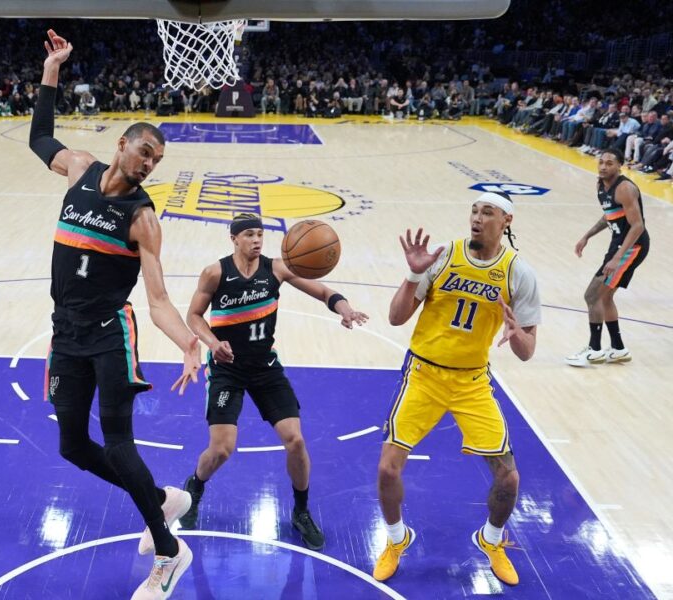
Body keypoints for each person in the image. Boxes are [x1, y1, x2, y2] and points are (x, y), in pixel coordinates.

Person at [29, 29, 201, 600]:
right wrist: (53, 68)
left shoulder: (143, 219)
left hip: (110, 333)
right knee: (72, 445)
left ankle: (170, 552)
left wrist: (188, 343)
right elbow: (39, 137)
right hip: (65, 331)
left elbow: (157, 300)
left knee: (119, 442)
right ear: (122, 144)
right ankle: (160, 500)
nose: (150, 164)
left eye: (157, 160)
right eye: (145, 152)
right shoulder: (79, 168)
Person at [374, 192, 540, 587]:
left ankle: (492, 540)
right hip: (423, 375)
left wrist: (516, 333)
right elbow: (396, 318)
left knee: (508, 478)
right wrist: (413, 275)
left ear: (507, 220)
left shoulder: (519, 273)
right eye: (475, 211)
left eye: (488, 212)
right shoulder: (443, 256)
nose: (478, 218)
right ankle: (396, 539)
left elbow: (527, 351)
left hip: (472, 382)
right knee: (387, 468)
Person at [178, 214, 368, 550]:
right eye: (249, 235)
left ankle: (301, 511)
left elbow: (324, 291)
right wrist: (212, 342)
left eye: (260, 234)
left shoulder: (277, 269)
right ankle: (195, 485)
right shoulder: (215, 273)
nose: (256, 240)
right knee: (222, 449)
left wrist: (345, 309)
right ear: (234, 238)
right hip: (227, 370)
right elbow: (194, 315)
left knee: (295, 440)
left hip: (266, 367)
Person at [566, 149, 649, 366]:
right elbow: (609, 214)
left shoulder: (625, 188)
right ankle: (619, 349)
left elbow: (638, 226)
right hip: (619, 244)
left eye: (609, 163)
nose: (603, 166)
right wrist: (587, 235)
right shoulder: (601, 185)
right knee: (604, 296)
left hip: (632, 245)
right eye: (601, 162)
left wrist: (617, 258)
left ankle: (594, 350)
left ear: (619, 166)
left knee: (592, 295)